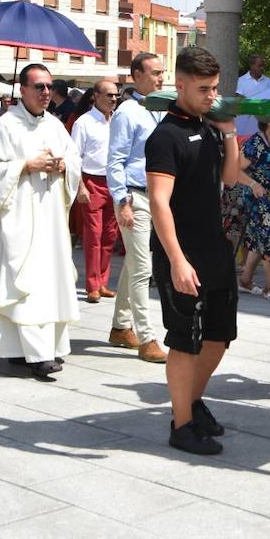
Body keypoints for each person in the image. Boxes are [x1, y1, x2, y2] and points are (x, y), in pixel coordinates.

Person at [146, 46, 239, 455]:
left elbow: (230, 179)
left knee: (219, 335)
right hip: (181, 254)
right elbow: (158, 202)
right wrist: (177, 260)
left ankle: (193, 401)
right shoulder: (165, 136)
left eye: (215, 88)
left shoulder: (210, 128)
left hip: (214, 247)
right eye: (203, 89)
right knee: (185, 340)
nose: (211, 96)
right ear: (179, 85)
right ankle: (181, 425)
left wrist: (230, 133)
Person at [0, 64, 82, 380]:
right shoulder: (6, 126)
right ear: (22, 90)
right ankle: (36, 354)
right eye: (38, 86)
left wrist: (63, 166)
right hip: (19, 216)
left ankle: (31, 350)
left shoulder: (55, 125)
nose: (45, 92)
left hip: (50, 217)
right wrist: (26, 165)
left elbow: (74, 159)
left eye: (49, 86)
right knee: (23, 280)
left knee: (49, 280)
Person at [106, 52, 169, 365]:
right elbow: (115, 160)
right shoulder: (127, 113)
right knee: (144, 267)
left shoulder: (161, 108)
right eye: (155, 72)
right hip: (134, 196)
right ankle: (147, 338)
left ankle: (120, 326)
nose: (161, 77)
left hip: (157, 195)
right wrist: (122, 200)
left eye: (162, 72)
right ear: (136, 75)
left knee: (136, 263)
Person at [72, 79, 120, 303]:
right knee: (93, 235)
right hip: (91, 181)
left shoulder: (118, 120)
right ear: (95, 96)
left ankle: (102, 282)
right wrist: (80, 186)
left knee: (110, 235)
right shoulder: (83, 122)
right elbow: (74, 157)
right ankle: (92, 285)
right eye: (109, 95)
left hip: (114, 181)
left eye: (116, 95)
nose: (114, 99)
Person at [235, 119, 270, 301]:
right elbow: (234, 169)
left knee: (259, 239)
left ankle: (245, 280)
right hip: (259, 196)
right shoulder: (255, 142)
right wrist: (253, 184)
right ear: (269, 120)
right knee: (269, 237)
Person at [233, 54, 270, 141]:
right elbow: (238, 98)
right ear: (251, 66)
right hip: (245, 122)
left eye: (263, 66)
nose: (262, 68)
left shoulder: (269, 82)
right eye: (259, 66)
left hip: (263, 123)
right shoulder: (241, 80)